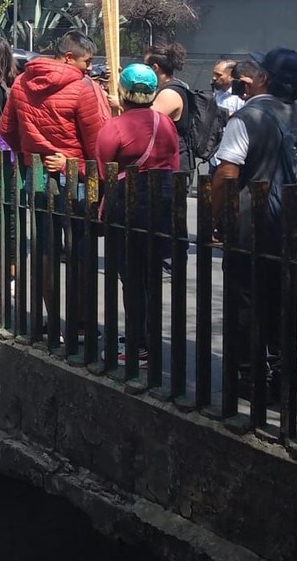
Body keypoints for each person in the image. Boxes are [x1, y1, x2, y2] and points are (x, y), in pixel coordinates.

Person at [211, 49, 297, 403]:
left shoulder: (247, 116)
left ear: (265, 78)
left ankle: (248, 374)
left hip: (250, 220)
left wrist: (214, 216)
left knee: (245, 299)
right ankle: (285, 368)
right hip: (287, 218)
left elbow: (227, 171)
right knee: (280, 297)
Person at [0, 30, 110, 336]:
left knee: (46, 249)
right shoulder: (83, 88)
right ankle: (80, 321)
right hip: (74, 177)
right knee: (79, 250)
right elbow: (97, 142)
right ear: (69, 57)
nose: (89, 67)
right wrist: (88, 174)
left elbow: (6, 129)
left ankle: (51, 320)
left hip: (36, 176)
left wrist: (30, 153)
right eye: (87, 61)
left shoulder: (20, 82)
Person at [96, 64, 181, 365]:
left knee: (131, 280)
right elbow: (173, 162)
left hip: (128, 208)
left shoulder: (115, 127)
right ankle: (151, 339)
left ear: (122, 91)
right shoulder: (165, 123)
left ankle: (138, 345)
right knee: (151, 277)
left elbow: (103, 171)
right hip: (161, 206)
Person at [145, 43, 194, 177]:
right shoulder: (163, 88)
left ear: (155, 68)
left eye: (145, 66)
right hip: (165, 162)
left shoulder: (170, 93)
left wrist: (119, 104)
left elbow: (146, 122)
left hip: (173, 165)